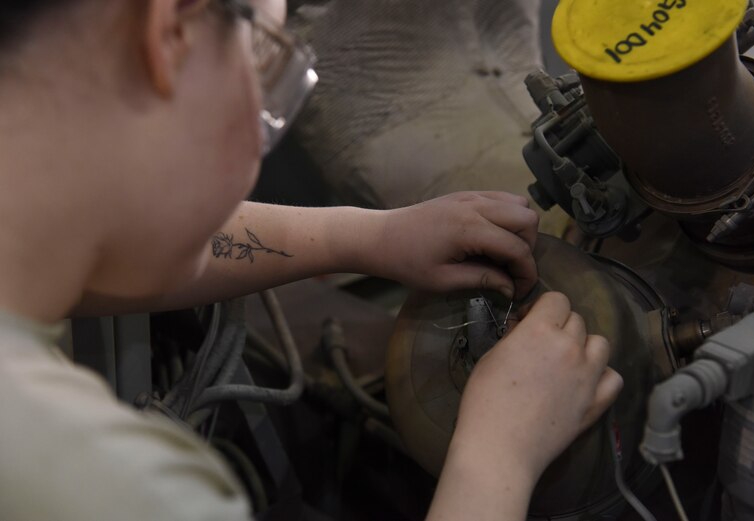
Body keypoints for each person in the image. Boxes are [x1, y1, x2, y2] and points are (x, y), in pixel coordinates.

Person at [0, 0, 623, 519]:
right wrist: (497, 461)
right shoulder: (116, 489)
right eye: (266, 59)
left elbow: (120, 232)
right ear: (171, 36)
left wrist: (364, 238)